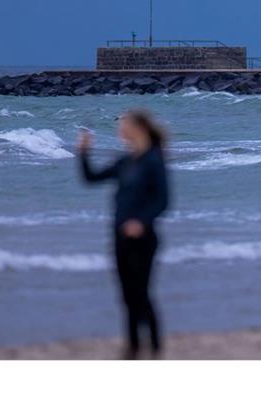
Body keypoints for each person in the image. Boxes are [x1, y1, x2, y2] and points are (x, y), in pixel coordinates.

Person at [77, 110, 169, 359]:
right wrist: (84, 152)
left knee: (141, 293)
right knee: (126, 295)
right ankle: (133, 348)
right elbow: (90, 178)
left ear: (138, 128)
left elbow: (163, 200)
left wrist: (141, 221)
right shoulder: (125, 161)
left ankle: (155, 347)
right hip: (119, 237)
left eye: (124, 124)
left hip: (144, 238)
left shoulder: (152, 160)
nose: (120, 128)